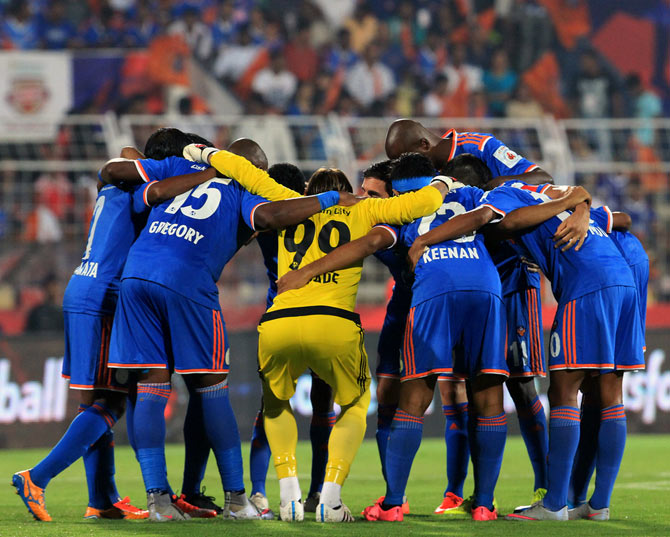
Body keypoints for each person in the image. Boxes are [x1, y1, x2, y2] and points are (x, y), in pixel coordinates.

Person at [276, 155, 591, 522]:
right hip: (485, 287)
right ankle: (485, 506)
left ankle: (393, 503)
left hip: (434, 289)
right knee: (488, 396)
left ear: (399, 188)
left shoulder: (402, 207)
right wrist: (578, 202)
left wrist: (308, 271)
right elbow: (521, 202)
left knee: (415, 396)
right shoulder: (472, 194)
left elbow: (368, 243)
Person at [106, 144, 358, 521]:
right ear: (248, 168)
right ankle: (237, 500)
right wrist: (331, 198)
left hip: (136, 274)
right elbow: (272, 215)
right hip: (186, 280)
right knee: (211, 387)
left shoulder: (180, 175)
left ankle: (158, 501)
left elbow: (122, 174)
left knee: (151, 387)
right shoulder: (241, 189)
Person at [408, 173, 642, 522]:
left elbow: (488, 218)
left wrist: (423, 240)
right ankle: (598, 505)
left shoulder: (506, 195)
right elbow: (619, 216)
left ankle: (554, 505)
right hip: (624, 282)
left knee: (564, 389)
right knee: (611, 392)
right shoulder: (556, 196)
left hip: (587, 287)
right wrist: (578, 204)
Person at [12, 128, 218, 522]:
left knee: (97, 401)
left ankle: (101, 499)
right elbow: (155, 191)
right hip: (106, 296)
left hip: (83, 286)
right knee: (113, 400)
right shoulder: (142, 190)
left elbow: (125, 158)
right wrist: (209, 173)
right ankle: (37, 478)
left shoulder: (111, 186)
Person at [235, 161, 451, 522]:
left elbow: (252, 183)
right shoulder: (363, 212)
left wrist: (206, 155)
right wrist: (444, 182)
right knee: (353, 404)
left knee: (274, 405)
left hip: (278, 321)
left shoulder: (288, 212)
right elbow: (422, 204)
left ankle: (285, 493)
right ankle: (329, 498)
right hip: (333, 323)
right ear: (349, 193)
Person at [246, 162, 336, 516]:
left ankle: (257, 492)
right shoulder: (327, 218)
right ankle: (317, 493)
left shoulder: (264, 221)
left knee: (271, 407)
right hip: (326, 320)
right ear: (302, 187)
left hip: (278, 320)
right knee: (323, 409)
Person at [567, 206, 648, 517]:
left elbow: (624, 218)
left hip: (612, 273)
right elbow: (625, 218)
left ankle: (582, 497)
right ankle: (591, 499)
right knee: (603, 391)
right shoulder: (578, 215)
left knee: (598, 389)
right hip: (628, 267)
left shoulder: (557, 217)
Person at [384, 118, 552, 187]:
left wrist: (492, 188)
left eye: (407, 159)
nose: (406, 168)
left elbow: (544, 178)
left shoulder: (480, 146)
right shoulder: (422, 176)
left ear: (424, 145)